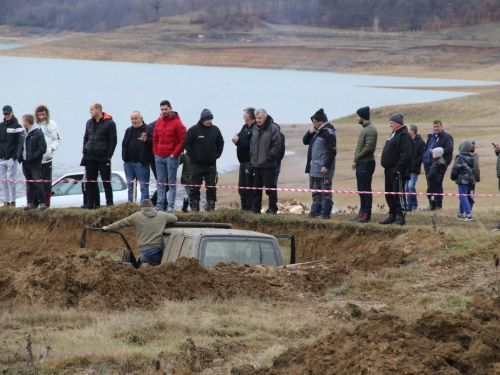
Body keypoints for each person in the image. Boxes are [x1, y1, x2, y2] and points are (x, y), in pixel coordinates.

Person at [102, 199, 178, 266]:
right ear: (153, 206)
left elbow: (121, 223)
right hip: (157, 251)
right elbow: (175, 218)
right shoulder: (162, 215)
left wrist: (107, 227)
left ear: (141, 208)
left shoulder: (137, 216)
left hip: (144, 252)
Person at [183, 109, 224, 212]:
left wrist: (217, 154)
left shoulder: (215, 130)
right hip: (196, 164)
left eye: (210, 119)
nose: (209, 121)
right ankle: (194, 208)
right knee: (194, 187)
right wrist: (194, 155)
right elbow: (186, 144)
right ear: (202, 119)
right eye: (207, 119)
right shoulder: (193, 130)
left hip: (211, 165)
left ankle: (211, 207)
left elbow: (221, 143)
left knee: (211, 187)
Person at [152, 100, 186, 212]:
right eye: (162, 110)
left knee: (171, 183)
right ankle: (159, 206)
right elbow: (155, 138)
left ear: (171, 108)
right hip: (159, 157)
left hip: (171, 158)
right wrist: (155, 153)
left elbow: (183, 141)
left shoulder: (178, 123)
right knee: (160, 183)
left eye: (166, 109)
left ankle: (171, 207)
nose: (164, 111)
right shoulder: (159, 122)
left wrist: (174, 154)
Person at [379, 113, 412, 226]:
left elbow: (406, 154)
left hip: (396, 170)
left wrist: (399, 168)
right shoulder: (394, 133)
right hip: (388, 169)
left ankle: (401, 215)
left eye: (392, 123)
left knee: (398, 193)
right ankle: (392, 214)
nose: (390, 125)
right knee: (389, 193)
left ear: (398, 124)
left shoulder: (404, 135)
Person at [249, 108, 281, 214]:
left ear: (265, 117)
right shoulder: (254, 128)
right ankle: (256, 209)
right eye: (256, 118)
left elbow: (277, 146)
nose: (258, 120)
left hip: (268, 165)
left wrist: (269, 157)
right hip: (256, 164)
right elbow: (252, 145)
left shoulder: (273, 128)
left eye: (260, 118)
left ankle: (272, 208)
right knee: (256, 189)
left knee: (270, 189)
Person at [308, 108, 336, 219]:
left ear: (321, 121)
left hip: (324, 169)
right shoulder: (318, 131)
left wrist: (326, 166)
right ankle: (315, 211)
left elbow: (331, 151)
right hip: (316, 168)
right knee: (316, 191)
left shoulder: (328, 133)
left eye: (315, 121)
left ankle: (325, 213)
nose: (313, 123)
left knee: (325, 192)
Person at [350, 106, 377, 223]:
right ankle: (361, 212)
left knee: (365, 190)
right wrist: (356, 161)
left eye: (357, 116)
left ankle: (366, 214)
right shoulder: (365, 128)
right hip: (361, 163)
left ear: (362, 117)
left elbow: (369, 148)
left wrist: (357, 158)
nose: (356, 118)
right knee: (361, 189)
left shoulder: (370, 130)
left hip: (367, 163)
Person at [33, 105, 61, 208]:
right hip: (36, 159)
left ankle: (46, 204)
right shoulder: (34, 125)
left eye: (43, 114)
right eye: (39, 115)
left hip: (47, 158)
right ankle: (35, 203)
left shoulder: (52, 124)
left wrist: (51, 149)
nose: (41, 117)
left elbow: (57, 139)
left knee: (46, 183)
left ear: (46, 114)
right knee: (35, 182)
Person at [17, 114, 47, 210]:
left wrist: (34, 157)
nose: (22, 123)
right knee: (29, 183)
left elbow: (42, 148)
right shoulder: (23, 133)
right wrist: (19, 157)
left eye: (23, 121)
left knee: (37, 182)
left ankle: (42, 202)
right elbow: (20, 146)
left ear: (27, 122)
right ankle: (30, 203)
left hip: (34, 162)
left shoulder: (38, 133)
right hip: (25, 162)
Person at [122, 111, 153, 203]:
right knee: (130, 187)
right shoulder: (128, 130)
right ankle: (131, 205)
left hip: (142, 163)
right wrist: (124, 158)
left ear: (141, 118)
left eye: (136, 118)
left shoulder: (148, 129)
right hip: (128, 163)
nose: (134, 121)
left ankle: (144, 207)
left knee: (144, 187)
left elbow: (154, 142)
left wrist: (146, 140)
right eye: (132, 119)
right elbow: (124, 145)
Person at [423, 120, 454, 209]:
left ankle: (438, 205)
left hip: (438, 165)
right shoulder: (430, 137)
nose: (436, 128)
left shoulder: (446, 137)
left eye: (437, 126)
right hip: (427, 164)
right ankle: (431, 204)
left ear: (441, 127)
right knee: (429, 184)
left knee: (437, 184)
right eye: (434, 127)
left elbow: (449, 149)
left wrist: (438, 150)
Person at [232, 107, 256, 211]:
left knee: (248, 186)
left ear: (249, 116)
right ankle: (243, 207)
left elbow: (251, 144)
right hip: (242, 161)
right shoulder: (245, 126)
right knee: (241, 186)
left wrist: (238, 141)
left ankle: (249, 208)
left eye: (244, 115)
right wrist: (236, 139)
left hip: (250, 161)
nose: (243, 117)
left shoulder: (255, 128)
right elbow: (240, 138)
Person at [0, 105, 24, 208]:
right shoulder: (1, 126)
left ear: (12, 113)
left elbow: (20, 143)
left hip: (11, 158)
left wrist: (15, 157)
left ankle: (13, 201)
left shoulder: (17, 126)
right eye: (5, 114)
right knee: (3, 181)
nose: (7, 115)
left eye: (8, 114)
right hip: (2, 158)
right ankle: (6, 201)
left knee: (11, 181)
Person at [450, 140, 475, 221]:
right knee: (463, 195)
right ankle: (461, 213)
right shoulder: (471, 158)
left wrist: (453, 177)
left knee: (462, 196)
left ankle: (468, 214)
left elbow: (455, 169)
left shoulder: (460, 158)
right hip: (470, 180)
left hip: (462, 180)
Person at [406, 124, 425, 212]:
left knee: (411, 186)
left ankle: (412, 205)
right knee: (406, 187)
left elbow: (422, 156)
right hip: (405, 168)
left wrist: (414, 163)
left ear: (412, 131)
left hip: (414, 169)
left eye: (408, 130)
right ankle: (409, 205)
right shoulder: (406, 141)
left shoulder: (420, 142)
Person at [425, 147, 446, 211]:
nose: (432, 154)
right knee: (434, 192)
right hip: (438, 180)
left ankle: (432, 206)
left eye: (433, 153)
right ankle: (434, 205)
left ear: (437, 154)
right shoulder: (441, 161)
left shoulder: (436, 163)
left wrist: (428, 177)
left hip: (434, 180)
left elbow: (433, 172)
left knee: (430, 193)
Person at [468, 141, 480, 212]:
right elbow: (476, 169)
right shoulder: (475, 158)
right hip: (472, 181)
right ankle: (469, 210)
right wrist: (477, 178)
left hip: (466, 181)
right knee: (470, 195)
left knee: (465, 196)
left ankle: (466, 210)